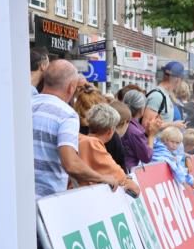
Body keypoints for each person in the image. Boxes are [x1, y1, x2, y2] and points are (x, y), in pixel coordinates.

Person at [31, 59, 121, 198]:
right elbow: (71, 164)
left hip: (18, 199)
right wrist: (102, 178)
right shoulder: (66, 114)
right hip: (45, 200)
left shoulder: (26, 104)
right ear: (71, 87)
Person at [76, 103, 140, 195]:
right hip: (84, 197)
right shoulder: (93, 144)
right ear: (110, 131)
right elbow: (133, 188)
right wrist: (127, 181)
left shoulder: (79, 138)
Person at [144, 61, 186, 126]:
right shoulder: (157, 96)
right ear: (177, 79)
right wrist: (173, 124)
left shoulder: (165, 95)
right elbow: (146, 124)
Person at [121, 89, 154, 170]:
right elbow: (147, 157)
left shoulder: (123, 123)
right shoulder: (134, 131)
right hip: (129, 170)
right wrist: (151, 135)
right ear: (141, 109)